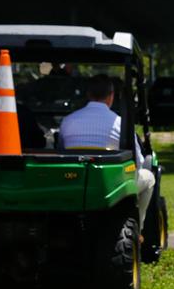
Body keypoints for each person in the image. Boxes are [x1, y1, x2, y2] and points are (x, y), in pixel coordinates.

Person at [60, 74, 155, 233]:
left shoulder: (68, 121)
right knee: (149, 178)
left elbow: (61, 152)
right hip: (110, 187)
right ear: (111, 96)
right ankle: (139, 228)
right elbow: (137, 162)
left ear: (88, 95)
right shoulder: (120, 124)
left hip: (73, 183)